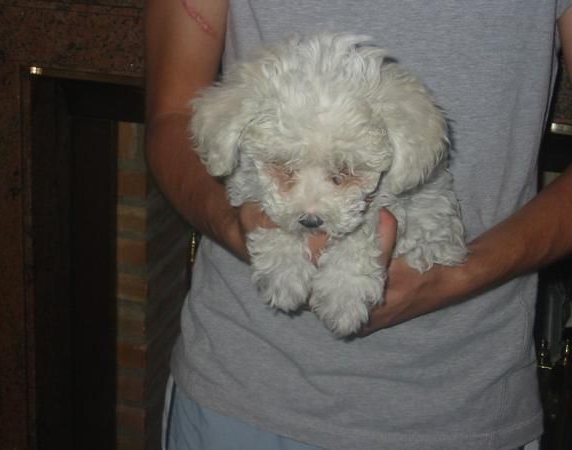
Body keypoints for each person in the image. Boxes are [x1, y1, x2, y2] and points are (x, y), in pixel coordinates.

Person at [145, 1, 572, 449]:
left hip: (466, 402)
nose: (311, 210)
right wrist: (241, 228)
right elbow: (174, 115)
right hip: (238, 387)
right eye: (285, 169)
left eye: (342, 174)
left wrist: (464, 272)